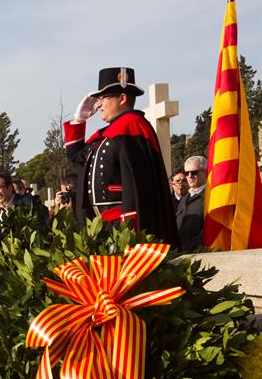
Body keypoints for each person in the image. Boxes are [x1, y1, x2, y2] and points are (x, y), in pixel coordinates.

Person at [64, 66, 179, 245]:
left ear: (122, 98)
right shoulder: (107, 135)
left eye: (104, 98)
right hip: (100, 227)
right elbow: (76, 155)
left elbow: (136, 184)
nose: (98, 104)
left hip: (122, 228)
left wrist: (130, 231)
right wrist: (79, 120)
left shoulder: (132, 127)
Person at [176, 156, 207, 251]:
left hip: (199, 253)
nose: (189, 176)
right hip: (180, 252)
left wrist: (192, 246)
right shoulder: (185, 197)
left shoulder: (210, 197)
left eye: (194, 172)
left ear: (205, 172)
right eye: (186, 173)